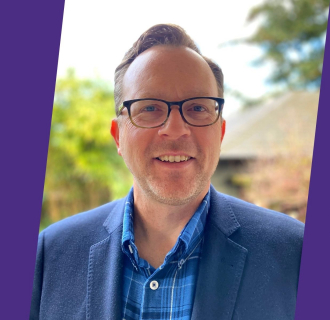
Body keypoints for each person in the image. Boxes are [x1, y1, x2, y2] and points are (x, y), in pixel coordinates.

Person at [30, 24, 304, 320]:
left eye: (198, 108)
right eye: (149, 108)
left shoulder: (294, 253)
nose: (175, 129)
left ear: (220, 133)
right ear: (118, 136)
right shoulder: (51, 255)